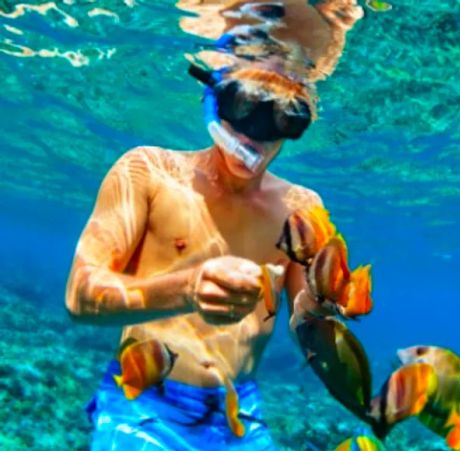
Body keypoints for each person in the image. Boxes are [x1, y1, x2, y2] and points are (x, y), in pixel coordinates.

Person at [65, 1, 363, 449]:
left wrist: (329, 303)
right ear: (213, 98)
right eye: (243, 105)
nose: (254, 134)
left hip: (238, 411)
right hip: (142, 400)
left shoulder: (302, 207)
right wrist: (187, 289)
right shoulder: (147, 171)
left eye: (284, 118)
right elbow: (80, 294)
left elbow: (308, 320)